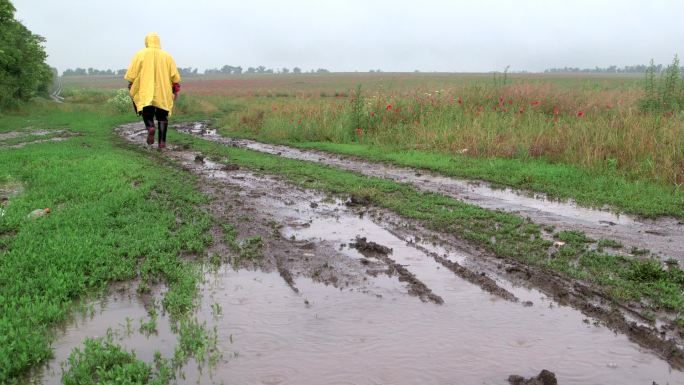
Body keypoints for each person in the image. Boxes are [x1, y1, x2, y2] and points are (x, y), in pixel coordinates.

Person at [124, 32, 181, 149]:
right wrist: (175, 90)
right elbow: (175, 76)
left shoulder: (140, 54)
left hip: (145, 90)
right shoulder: (167, 56)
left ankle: (150, 127)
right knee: (162, 116)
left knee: (147, 112)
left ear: (147, 41)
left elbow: (131, 74)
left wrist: (131, 85)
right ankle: (162, 143)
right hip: (163, 91)